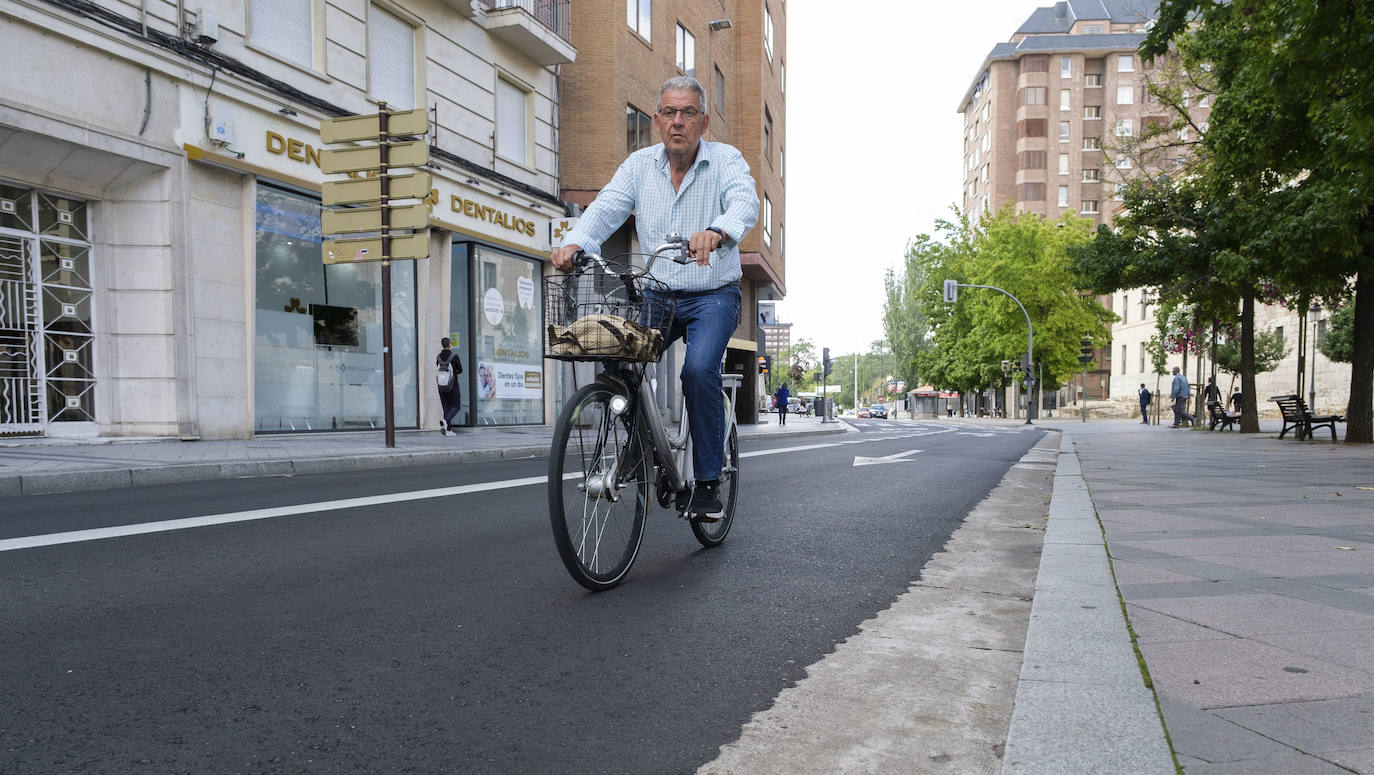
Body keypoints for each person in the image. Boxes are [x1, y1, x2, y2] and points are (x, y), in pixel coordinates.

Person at [551, 76, 759, 516]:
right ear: (656, 120)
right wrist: (575, 242)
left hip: (713, 292)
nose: (677, 122)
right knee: (615, 356)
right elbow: (607, 208)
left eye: (687, 113)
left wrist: (718, 231)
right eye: (669, 113)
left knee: (699, 370)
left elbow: (744, 203)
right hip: (658, 294)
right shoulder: (638, 166)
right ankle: (640, 444)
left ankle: (706, 483)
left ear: (703, 120)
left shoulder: (726, 161)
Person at [435, 337, 463, 435]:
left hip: (441, 386)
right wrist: (454, 371)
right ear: (449, 344)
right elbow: (460, 370)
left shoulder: (438, 357)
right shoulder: (454, 356)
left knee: (446, 407)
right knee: (456, 406)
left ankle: (448, 430)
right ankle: (446, 422)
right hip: (453, 385)